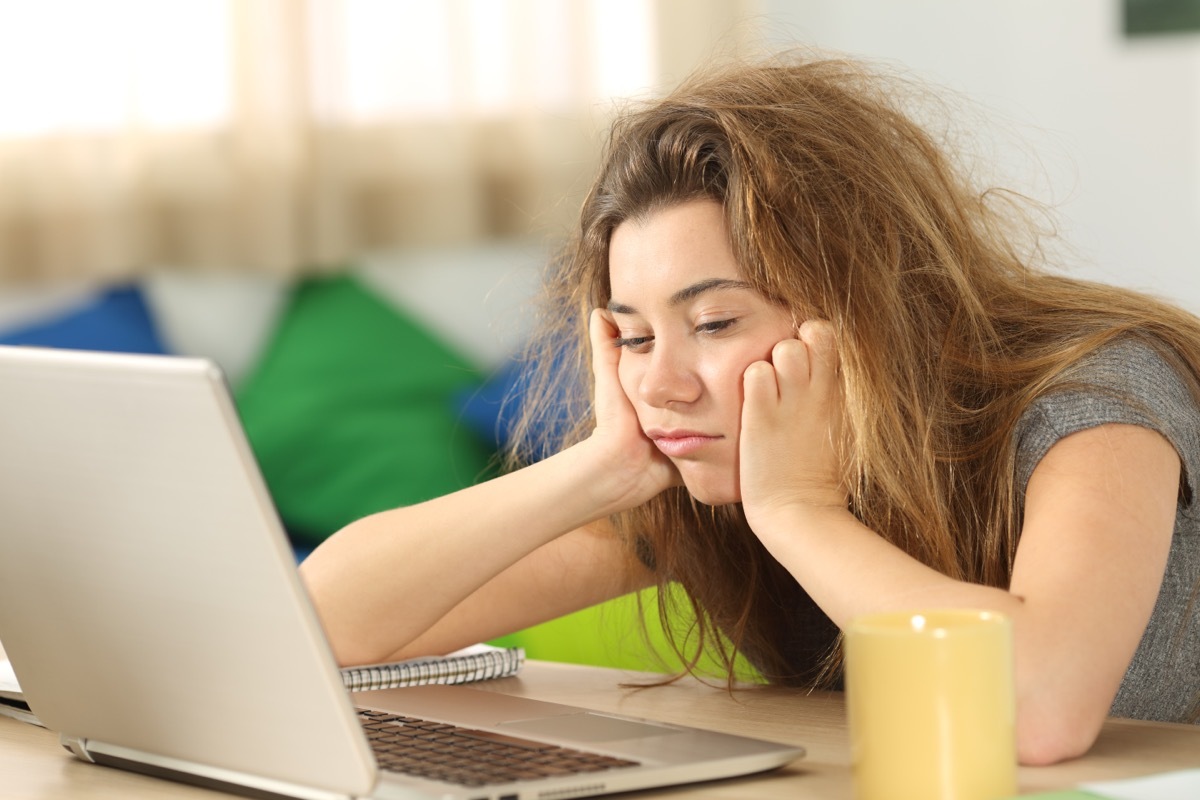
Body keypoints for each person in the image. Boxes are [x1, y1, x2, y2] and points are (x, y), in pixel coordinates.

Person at [299, 52, 1200, 766]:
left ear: (869, 304)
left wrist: (798, 510)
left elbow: (1037, 709)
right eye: (634, 337)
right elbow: (312, 630)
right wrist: (604, 466)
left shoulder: (1098, 392)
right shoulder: (698, 467)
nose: (663, 383)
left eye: (714, 323)